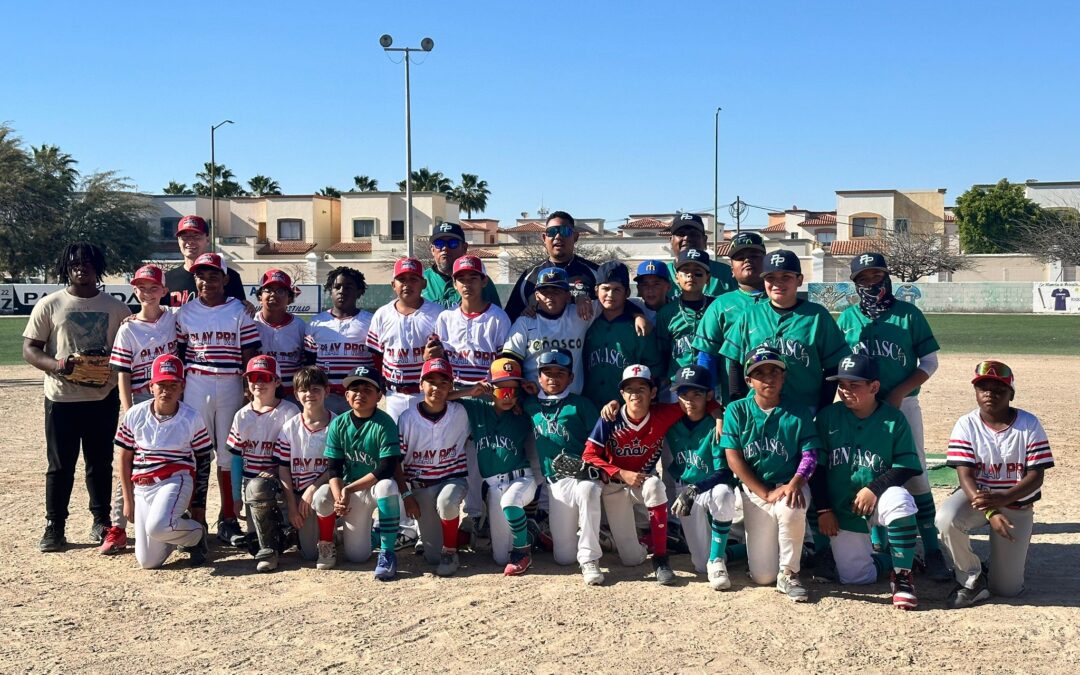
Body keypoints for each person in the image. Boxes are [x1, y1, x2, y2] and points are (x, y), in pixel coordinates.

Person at [837, 252, 948, 581]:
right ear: (855, 283)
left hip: (904, 405)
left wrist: (899, 391)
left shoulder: (908, 315)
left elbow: (929, 362)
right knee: (867, 468)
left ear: (887, 277)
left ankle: (931, 548)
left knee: (914, 474)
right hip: (859, 406)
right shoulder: (847, 319)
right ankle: (880, 544)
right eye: (864, 278)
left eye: (877, 275)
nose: (872, 283)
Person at [23, 242, 131, 552]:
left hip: (102, 398)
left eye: (87, 263)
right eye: (74, 263)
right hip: (62, 398)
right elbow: (30, 349)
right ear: (65, 267)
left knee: (99, 463)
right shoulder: (51, 304)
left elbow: (126, 352)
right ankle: (54, 525)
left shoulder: (116, 308)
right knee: (60, 465)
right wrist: (57, 365)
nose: (81, 268)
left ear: (98, 267)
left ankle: (100, 521)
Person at [583, 364, 721, 586]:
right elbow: (589, 455)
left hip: (643, 482)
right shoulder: (610, 418)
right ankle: (643, 542)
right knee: (631, 559)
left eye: (642, 388)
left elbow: (695, 403)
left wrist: (717, 413)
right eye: (630, 389)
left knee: (655, 484)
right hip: (615, 484)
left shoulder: (664, 414)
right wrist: (620, 472)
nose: (635, 394)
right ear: (622, 394)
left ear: (653, 392)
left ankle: (660, 557)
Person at [811, 354, 922, 610]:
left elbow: (905, 467)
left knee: (901, 501)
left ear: (874, 387)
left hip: (879, 497)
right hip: (843, 508)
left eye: (854, 385)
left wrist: (874, 488)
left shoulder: (893, 420)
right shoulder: (828, 417)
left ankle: (903, 575)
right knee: (856, 578)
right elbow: (817, 468)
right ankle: (890, 560)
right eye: (841, 385)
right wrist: (824, 510)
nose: (845, 391)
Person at [938, 361, 1053, 608]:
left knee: (1007, 590)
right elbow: (965, 476)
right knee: (947, 518)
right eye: (983, 388)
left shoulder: (1029, 424)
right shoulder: (966, 424)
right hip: (977, 500)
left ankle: (996, 567)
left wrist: (1002, 502)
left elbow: (1036, 477)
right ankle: (972, 579)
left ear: (1011, 393)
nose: (991, 394)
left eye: (999, 389)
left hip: (1016, 505)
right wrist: (991, 511)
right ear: (976, 393)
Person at [720, 347, 821, 602]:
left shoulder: (797, 411)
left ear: (784, 376)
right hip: (756, 491)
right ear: (748, 381)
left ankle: (789, 573)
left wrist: (795, 483)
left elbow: (810, 455)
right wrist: (764, 492)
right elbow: (734, 458)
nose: (768, 378)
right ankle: (788, 552)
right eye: (760, 373)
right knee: (762, 576)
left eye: (774, 372)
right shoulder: (736, 410)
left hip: (788, 484)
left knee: (792, 507)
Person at [175, 252, 261, 544]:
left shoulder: (239, 311)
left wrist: (248, 386)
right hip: (196, 382)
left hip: (229, 382)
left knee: (227, 452)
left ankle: (227, 517)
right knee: (196, 450)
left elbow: (249, 353)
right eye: (201, 276)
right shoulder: (185, 313)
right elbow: (179, 353)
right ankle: (194, 513)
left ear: (225, 279)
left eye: (214, 276)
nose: (207, 282)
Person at [102, 264, 177, 555]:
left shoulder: (174, 318)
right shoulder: (128, 328)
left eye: (153, 287)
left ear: (164, 291)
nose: (148, 293)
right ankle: (118, 528)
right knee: (127, 462)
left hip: (170, 402)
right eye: (142, 288)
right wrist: (128, 411)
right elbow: (123, 373)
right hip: (140, 403)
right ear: (134, 290)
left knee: (172, 459)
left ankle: (174, 518)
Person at [720, 249, 846, 414]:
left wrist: (823, 409)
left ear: (799, 280)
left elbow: (833, 366)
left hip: (805, 407)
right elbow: (735, 363)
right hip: (757, 408)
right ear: (764, 281)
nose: (778, 284)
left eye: (786, 277)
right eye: (771, 278)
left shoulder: (817, 316)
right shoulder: (749, 315)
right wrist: (737, 404)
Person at [115, 354, 211, 568]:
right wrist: (128, 500)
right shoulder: (134, 415)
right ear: (151, 386)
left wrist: (199, 507)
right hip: (142, 486)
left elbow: (204, 461)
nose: (166, 390)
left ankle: (196, 534)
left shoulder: (191, 417)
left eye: (173, 384)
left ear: (182, 387)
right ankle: (178, 527)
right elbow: (124, 459)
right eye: (161, 384)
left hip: (174, 480)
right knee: (148, 561)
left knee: (158, 526)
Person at [521, 349, 604, 584]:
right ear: (538, 378)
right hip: (555, 485)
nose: (553, 379)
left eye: (560, 373)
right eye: (547, 373)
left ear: (571, 378)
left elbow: (600, 442)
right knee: (563, 558)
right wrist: (529, 393)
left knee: (589, 491)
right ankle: (584, 538)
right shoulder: (531, 405)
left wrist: (593, 468)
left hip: (581, 477)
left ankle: (590, 557)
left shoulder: (580, 405)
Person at [312, 365, 402, 579]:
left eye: (367, 389)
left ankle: (387, 552)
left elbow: (386, 468)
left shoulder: (385, 423)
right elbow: (333, 467)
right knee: (357, 556)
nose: (360, 394)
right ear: (346, 395)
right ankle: (373, 535)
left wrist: (348, 489)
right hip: (352, 493)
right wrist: (339, 497)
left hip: (371, 488)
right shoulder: (339, 423)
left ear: (379, 395)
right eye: (355, 389)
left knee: (387, 485)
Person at [455, 359, 536, 575]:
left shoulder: (523, 412)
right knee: (500, 557)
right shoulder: (478, 408)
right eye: (501, 389)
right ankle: (531, 533)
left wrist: (531, 394)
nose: (508, 396)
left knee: (511, 502)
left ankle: (523, 552)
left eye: (513, 389)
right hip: (493, 487)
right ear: (490, 388)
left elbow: (546, 405)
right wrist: (471, 390)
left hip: (522, 479)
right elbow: (441, 397)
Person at [396, 358, 471, 576]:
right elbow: (396, 463)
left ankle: (450, 551)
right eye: (431, 382)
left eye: (443, 383)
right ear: (420, 384)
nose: (437, 387)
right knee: (431, 557)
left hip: (452, 480)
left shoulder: (461, 412)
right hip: (421, 487)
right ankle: (464, 536)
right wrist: (407, 495)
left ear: (451, 386)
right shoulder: (407, 418)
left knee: (447, 503)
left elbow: (491, 401)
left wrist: (466, 392)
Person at [664, 364, 737, 590]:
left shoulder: (716, 425)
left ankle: (717, 560)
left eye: (697, 393)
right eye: (683, 394)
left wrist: (717, 414)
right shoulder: (670, 420)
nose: (689, 400)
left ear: (709, 394)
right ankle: (735, 549)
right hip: (684, 489)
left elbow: (724, 472)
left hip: (710, 486)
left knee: (724, 494)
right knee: (698, 564)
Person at [226, 355, 300, 571]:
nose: (258, 383)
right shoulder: (241, 415)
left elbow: (293, 456)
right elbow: (237, 458)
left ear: (277, 381)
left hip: (283, 485)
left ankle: (285, 541)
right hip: (252, 489)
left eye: (265, 377)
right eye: (253, 377)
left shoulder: (289, 412)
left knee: (303, 545)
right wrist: (236, 498)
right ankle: (272, 547)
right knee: (255, 543)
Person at [274, 366, 337, 569]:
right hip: (300, 498)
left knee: (322, 494)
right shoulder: (289, 427)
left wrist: (313, 487)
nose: (310, 394)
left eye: (316, 389)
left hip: (327, 493)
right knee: (309, 554)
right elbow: (283, 469)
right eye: (304, 390)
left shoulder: (337, 424)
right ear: (296, 394)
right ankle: (332, 533)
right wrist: (292, 507)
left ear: (326, 391)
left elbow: (338, 466)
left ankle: (330, 540)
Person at [366, 257, 444, 421]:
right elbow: (376, 356)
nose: (407, 284)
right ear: (393, 285)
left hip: (426, 393)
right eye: (401, 279)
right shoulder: (382, 314)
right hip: (394, 394)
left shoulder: (438, 313)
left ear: (424, 283)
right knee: (396, 442)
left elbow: (447, 355)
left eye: (413, 279)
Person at [693, 231, 767, 403]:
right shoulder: (721, 305)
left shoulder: (781, 300)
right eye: (740, 257)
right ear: (731, 269)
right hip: (735, 400)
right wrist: (709, 403)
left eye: (754, 255)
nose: (747, 260)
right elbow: (707, 357)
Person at [582, 263, 661, 409]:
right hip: (590, 407)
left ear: (627, 293)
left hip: (628, 410)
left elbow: (653, 370)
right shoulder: (587, 323)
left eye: (617, 290)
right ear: (596, 290)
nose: (610, 295)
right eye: (605, 289)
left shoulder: (640, 327)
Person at [504, 210, 599, 321]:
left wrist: (590, 302)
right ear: (544, 238)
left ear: (575, 237)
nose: (558, 236)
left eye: (564, 231)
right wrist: (524, 314)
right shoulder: (528, 277)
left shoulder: (595, 273)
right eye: (552, 231)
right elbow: (511, 316)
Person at [305, 267, 374, 415]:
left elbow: (376, 360)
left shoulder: (371, 321)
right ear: (330, 290)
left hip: (358, 396)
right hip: (326, 396)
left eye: (348, 287)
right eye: (337, 287)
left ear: (359, 291)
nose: (342, 291)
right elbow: (309, 363)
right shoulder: (316, 322)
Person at [434, 255, 511, 387]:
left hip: (487, 391)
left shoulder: (498, 317)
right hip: (454, 391)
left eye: (473, 279)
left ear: (484, 281)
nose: (467, 284)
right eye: (461, 279)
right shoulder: (445, 317)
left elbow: (504, 361)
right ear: (454, 284)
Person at [655, 249, 715, 402]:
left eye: (698, 273)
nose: (691, 276)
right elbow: (662, 351)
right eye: (685, 272)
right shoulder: (667, 312)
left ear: (708, 278)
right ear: (676, 277)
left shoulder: (717, 307)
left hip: (712, 383)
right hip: (676, 383)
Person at [163, 215, 249, 308]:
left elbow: (241, 311)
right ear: (178, 241)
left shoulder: (227, 276)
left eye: (196, 236)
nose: (190, 241)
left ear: (207, 240)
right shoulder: (167, 279)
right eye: (185, 237)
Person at [253, 269, 307, 402]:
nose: (273, 295)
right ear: (260, 296)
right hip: (260, 392)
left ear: (289, 298)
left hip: (291, 393)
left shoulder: (300, 326)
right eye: (268, 290)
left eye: (280, 291)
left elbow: (305, 363)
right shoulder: (251, 323)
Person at [422, 222, 502, 309]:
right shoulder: (420, 280)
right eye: (439, 243)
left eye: (453, 243)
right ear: (432, 249)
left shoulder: (479, 279)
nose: (445, 248)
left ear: (464, 247)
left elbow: (495, 314)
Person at [664, 213, 736, 299]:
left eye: (693, 234)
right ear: (671, 241)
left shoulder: (727, 274)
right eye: (681, 234)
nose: (686, 238)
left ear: (705, 240)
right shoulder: (662, 274)